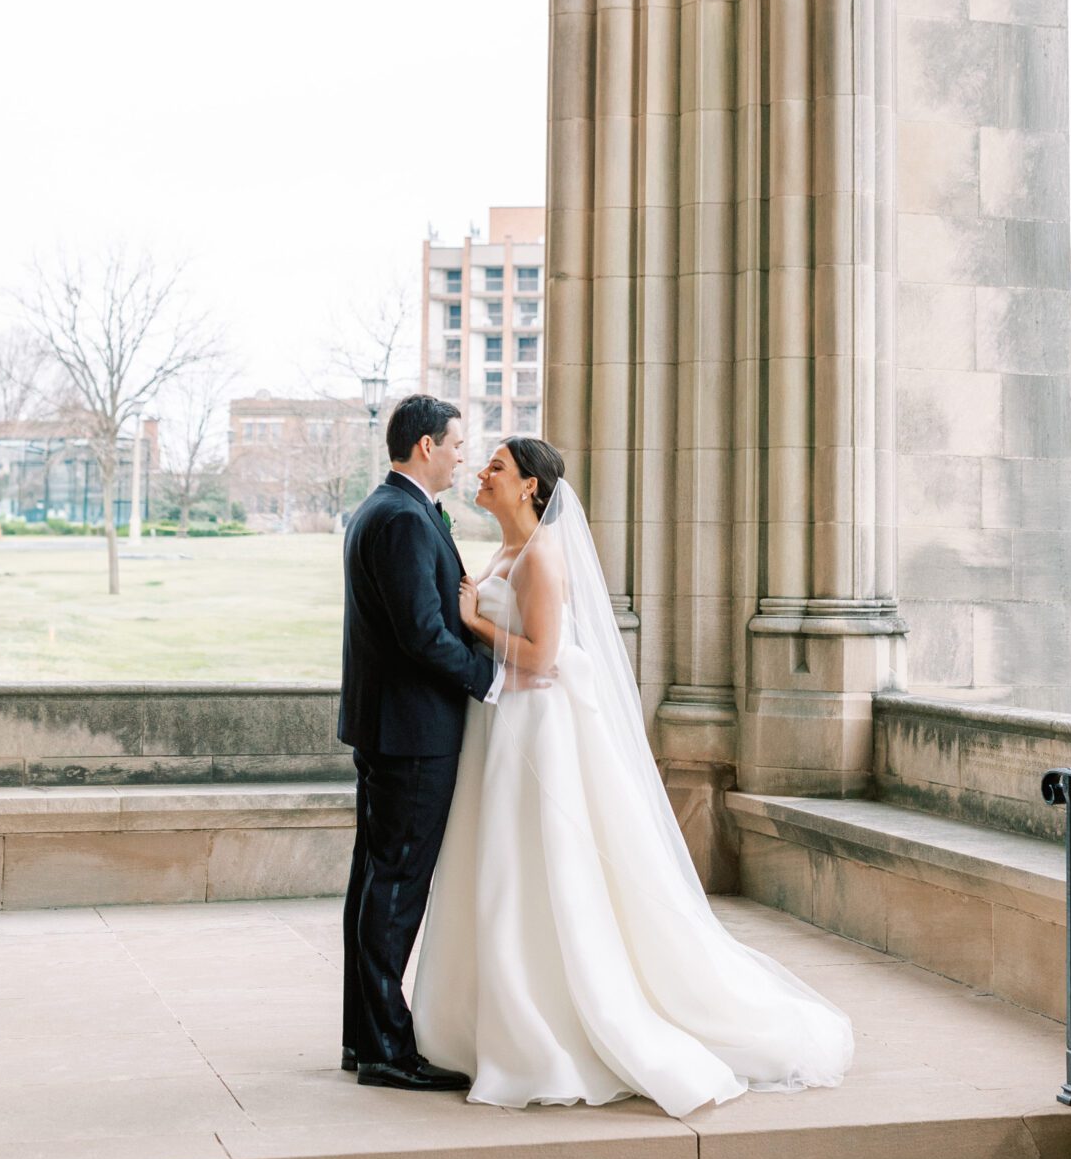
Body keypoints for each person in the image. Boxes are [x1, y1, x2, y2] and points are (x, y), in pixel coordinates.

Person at [411, 438, 855, 1116]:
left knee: (538, 865)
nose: (482, 472)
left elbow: (543, 659)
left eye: (497, 466)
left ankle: (555, 1016)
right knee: (499, 867)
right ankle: (486, 1014)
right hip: (501, 727)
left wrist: (474, 624)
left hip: (537, 728)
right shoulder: (505, 553)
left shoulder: (544, 559)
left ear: (531, 486)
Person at [338, 394, 495, 1090]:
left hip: (389, 728)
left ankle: (363, 1037)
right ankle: (384, 1050)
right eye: (457, 443)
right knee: (395, 888)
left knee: (375, 885)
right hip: (411, 734)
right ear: (426, 446)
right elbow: (422, 635)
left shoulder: (387, 508)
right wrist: (490, 678)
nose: (463, 454)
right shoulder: (401, 518)